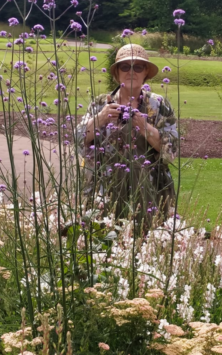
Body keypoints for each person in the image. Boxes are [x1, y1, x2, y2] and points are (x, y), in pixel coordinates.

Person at [75, 43, 178, 231]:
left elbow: (171, 152)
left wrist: (143, 126)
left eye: (138, 67)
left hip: (150, 194)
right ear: (116, 73)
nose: (131, 72)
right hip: (104, 193)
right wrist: (101, 118)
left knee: (146, 247)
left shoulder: (158, 105)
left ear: (146, 72)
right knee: (104, 244)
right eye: (125, 67)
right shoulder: (100, 104)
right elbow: (78, 140)